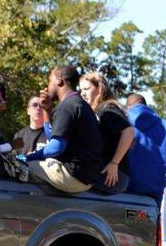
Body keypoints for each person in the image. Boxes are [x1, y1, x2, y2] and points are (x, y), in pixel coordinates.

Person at [26, 65, 102, 194]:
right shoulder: (79, 103)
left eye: (50, 80)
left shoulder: (67, 106)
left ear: (59, 80)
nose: (48, 85)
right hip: (86, 179)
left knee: (18, 166)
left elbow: (55, 148)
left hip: (73, 177)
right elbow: (53, 139)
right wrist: (47, 111)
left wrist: (28, 158)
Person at [79, 72, 133, 194]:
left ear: (100, 89)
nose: (82, 93)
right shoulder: (96, 112)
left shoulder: (107, 109)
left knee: (71, 174)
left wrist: (114, 163)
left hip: (114, 176)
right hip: (105, 173)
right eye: (81, 89)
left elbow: (129, 132)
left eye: (87, 89)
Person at [124, 93, 166, 203]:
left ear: (128, 105)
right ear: (145, 105)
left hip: (126, 189)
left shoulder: (122, 123)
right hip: (154, 193)